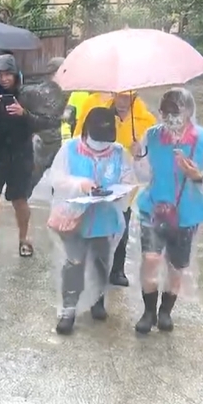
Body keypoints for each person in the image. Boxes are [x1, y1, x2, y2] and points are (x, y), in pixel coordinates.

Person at [132, 88, 203, 333]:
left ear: (188, 112)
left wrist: (198, 175)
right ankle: (148, 311)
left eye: (176, 112)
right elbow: (143, 175)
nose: (171, 118)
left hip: (187, 213)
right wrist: (137, 156)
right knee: (151, 259)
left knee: (176, 267)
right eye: (165, 113)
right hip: (153, 208)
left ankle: (166, 312)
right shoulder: (152, 136)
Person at [0, 54, 58, 269]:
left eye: (8, 74)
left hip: (20, 157)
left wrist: (24, 113)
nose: (4, 78)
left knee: (19, 202)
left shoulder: (28, 96)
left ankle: (24, 237)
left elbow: (47, 122)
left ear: (16, 75)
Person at [48, 107, 133, 335]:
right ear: (86, 131)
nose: (101, 145)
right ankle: (68, 310)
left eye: (105, 140)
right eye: (97, 139)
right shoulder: (70, 149)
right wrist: (80, 184)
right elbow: (56, 178)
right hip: (75, 218)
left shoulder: (118, 152)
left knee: (102, 262)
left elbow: (127, 178)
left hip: (104, 219)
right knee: (74, 263)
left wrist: (118, 191)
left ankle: (98, 300)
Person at [73, 90, 157, 287]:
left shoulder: (146, 120)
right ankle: (91, 268)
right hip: (96, 176)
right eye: (118, 96)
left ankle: (117, 269)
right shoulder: (96, 109)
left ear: (135, 96)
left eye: (127, 97)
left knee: (122, 225)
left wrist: (141, 152)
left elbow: (151, 157)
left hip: (124, 182)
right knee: (94, 227)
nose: (122, 101)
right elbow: (79, 137)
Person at [18, 57, 69, 195]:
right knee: (29, 182)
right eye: (64, 71)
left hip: (61, 144)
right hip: (43, 143)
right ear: (54, 73)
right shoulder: (37, 92)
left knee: (60, 186)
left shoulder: (69, 92)